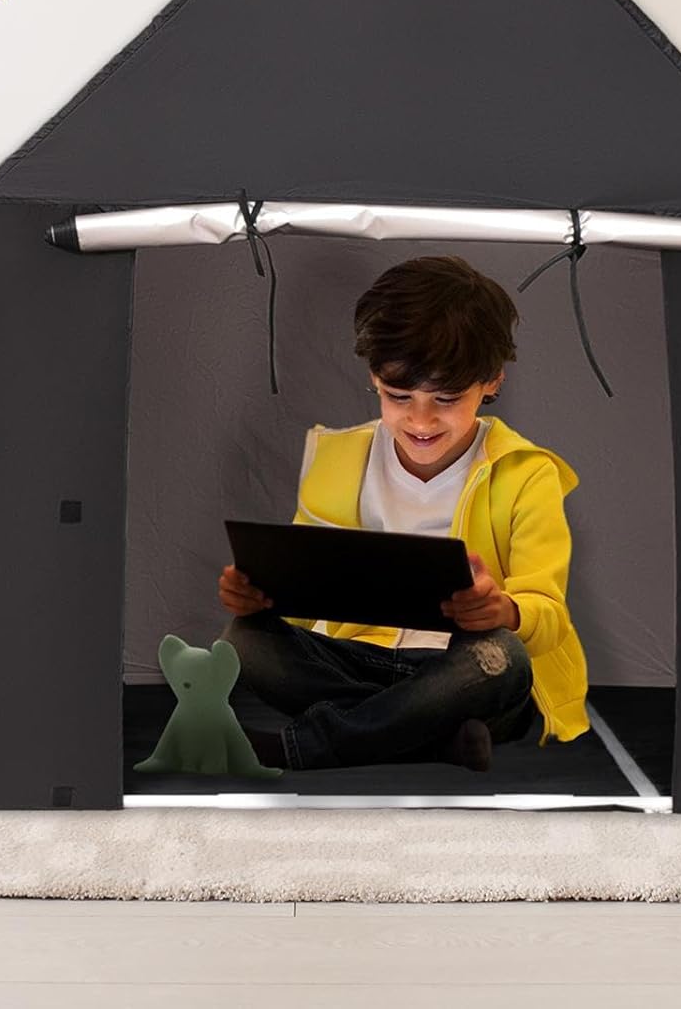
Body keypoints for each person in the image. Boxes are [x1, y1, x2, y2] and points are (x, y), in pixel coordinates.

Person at [218, 254, 590, 773]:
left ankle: (306, 746)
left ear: (492, 381)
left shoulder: (528, 474)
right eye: (399, 395)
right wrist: (260, 595)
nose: (420, 419)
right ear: (374, 378)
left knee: (502, 659)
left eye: (446, 398)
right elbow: (302, 596)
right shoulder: (337, 458)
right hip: (363, 662)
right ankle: (431, 737)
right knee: (245, 641)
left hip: (465, 667)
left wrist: (505, 610)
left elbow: (548, 616)